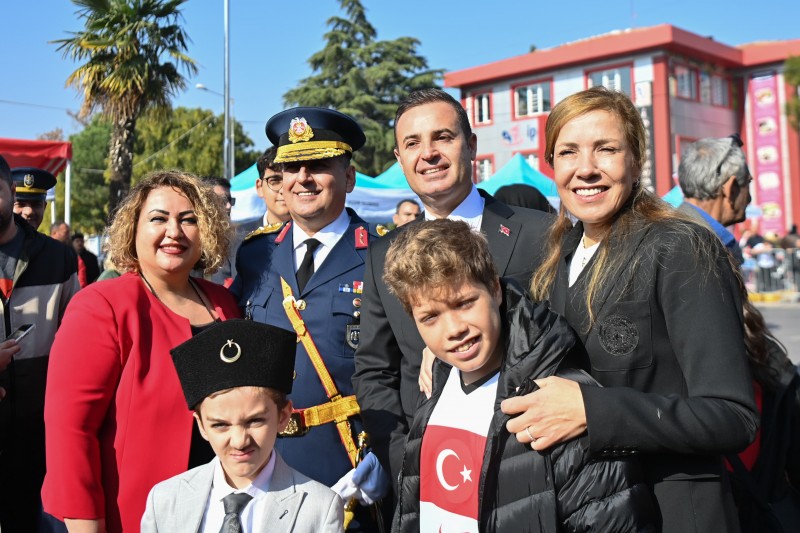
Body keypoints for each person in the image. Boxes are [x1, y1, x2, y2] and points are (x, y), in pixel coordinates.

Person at [499, 86, 758, 532]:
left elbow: (733, 417)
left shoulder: (680, 247)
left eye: (606, 149)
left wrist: (593, 411)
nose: (586, 168)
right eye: (569, 152)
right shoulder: (556, 257)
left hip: (669, 511)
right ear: (552, 165)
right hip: (585, 513)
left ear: (636, 162)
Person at [385, 219, 654, 532]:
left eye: (465, 303)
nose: (454, 329)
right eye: (431, 317)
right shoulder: (433, 391)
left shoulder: (560, 401)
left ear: (495, 290)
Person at [352, 88, 554, 488]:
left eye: (443, 137)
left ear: (471, 145)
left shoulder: (541, 234)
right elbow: (375, 370)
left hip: (530, 465)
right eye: (413, 143)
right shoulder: (381, 255)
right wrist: (406, 460)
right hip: (429, 473)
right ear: (399, 159)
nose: (428, 153)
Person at [41, 170, 241, 533]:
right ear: (133, 229)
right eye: (158, 219)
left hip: (223, 511)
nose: (174, 231)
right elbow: (70, 431)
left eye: (189, 220)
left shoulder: (224, 303)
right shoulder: (102, 305)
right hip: (134, 515)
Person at [232, 108, 389, 531]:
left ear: (349, 177)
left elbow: (411, 370)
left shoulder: (385, 254)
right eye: (291, 168)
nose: (302, 178)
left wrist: (388, 455)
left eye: (318, 165)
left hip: (348, 466)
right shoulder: (255, 255)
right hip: (263, 465)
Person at [141, 319, 343, 533]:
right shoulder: (165, 501)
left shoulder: (320, 509)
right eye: (220, 425)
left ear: (283, 416)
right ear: (201, 425)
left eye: (255, 421)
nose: (239, 441)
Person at [0, 156, 80, 532]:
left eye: (37, 203)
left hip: (38, 424)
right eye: (23, 203)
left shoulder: (59, 258)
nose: (30, 211)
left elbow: (76, 336)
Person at [678, 134, 752, 264]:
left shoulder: (670, 235)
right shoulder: (702, 248)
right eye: (748, 183)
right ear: (731, 189)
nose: (749, 199)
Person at [237, 146, 291, 236]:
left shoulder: (314, 236)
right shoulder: (238, 237)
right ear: (259, 187)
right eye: (275, 181)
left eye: (290, 181)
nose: (283, 190)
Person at [199, 176, 237, 287]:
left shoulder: (237, 241)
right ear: (204, 203)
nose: (228, 206)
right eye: (223, 201)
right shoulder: (189, 242)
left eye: (230, 200)